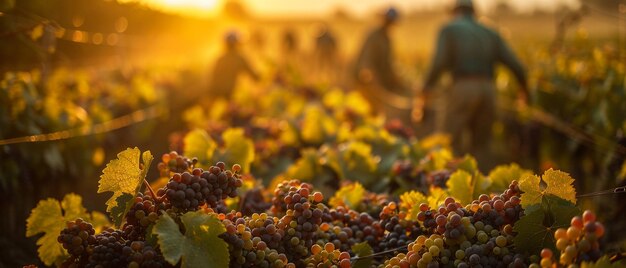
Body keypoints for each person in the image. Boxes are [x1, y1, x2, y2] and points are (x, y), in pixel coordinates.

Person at [421, 0, 529, 172]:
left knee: (448, 142)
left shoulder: (449, 29)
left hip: (462, 87)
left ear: (454, 11)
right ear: (474, 12)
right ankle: (485, 193)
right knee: (483, 146)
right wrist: (525, 93)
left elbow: (438, 64)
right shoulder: (490, 32)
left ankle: (449, 188)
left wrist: (424, 93)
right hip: (488, 91)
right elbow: (516, 66)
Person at [353, 7, 411, 122]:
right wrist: (368, 76)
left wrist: (397, 78)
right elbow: (366, 60)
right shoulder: (374, 36)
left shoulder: (387, 39)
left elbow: (389, 63)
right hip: (367, 81)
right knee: (371, 110)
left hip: (381, 80)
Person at [209, 31, 260, 100]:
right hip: (230, 95)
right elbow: (254, 77)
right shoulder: (239, 59)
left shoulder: (220, 59)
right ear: (237, 44)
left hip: (216, 96)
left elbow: (212, 79)